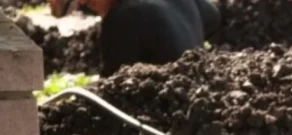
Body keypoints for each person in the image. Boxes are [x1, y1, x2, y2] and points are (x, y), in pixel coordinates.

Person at [48, 0, 221, 77]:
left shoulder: (122, 18)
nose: (83, 2)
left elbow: (111, 89)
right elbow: (213, 16)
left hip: (166, 118)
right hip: (199, 89)